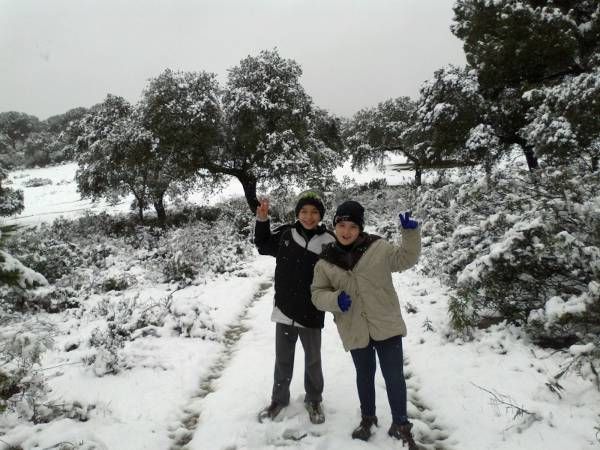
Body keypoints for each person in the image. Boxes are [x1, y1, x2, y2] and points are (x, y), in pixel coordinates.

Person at [311, 200, 421, 448]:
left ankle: (401, 424)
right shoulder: (326, 261)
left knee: (394, 376)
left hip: (385, 323)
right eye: (341, 225)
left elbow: (406, 259)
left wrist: (411, 233)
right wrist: (335, 299)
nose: (346, 231)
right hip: (354, 328)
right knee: (364, 375)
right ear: (334, 226)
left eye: (352, 226)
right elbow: (317, 294)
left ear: (360, 227)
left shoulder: (378, 248)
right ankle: (368, 418)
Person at [254, 190, 336, 424]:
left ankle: (314, 399)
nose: (309, 217)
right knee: (283, 359)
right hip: (285, 309)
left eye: (314, 212)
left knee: (313, 359)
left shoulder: (329, 241)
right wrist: (262, 220)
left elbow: (341, 269)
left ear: (321, 215)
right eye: (304, 212)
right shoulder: (286, 234)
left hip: (311, 311)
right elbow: (262, 245)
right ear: (297, 213)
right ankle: (279, 399)